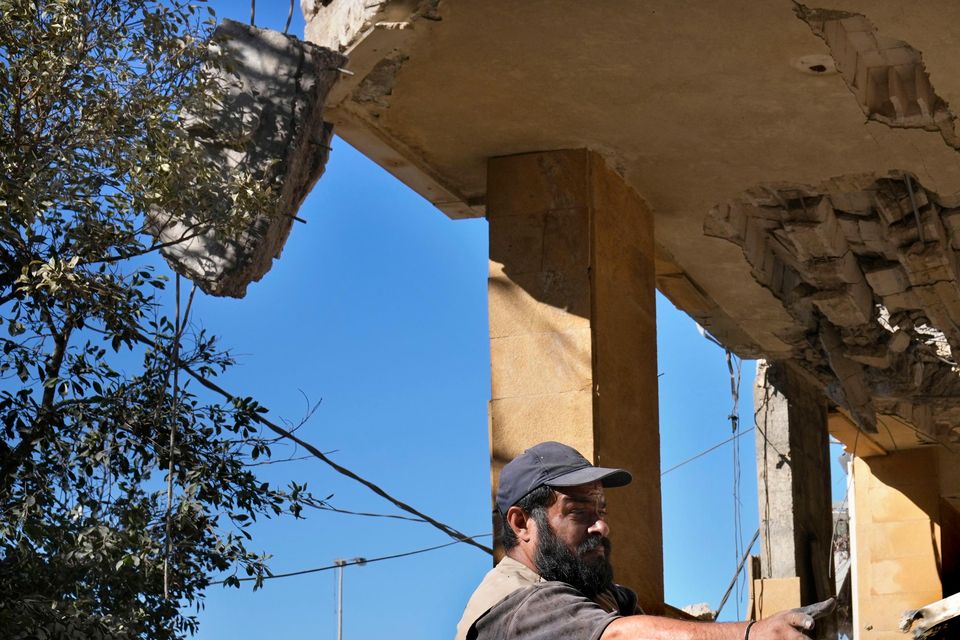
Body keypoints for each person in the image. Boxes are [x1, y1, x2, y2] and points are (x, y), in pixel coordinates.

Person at [456, 441, 824, 640]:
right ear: (522, 524)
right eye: (579, 511)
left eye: (602, 510)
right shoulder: (517, 605)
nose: (601, 526)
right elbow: (620, 636)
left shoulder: (604, 597)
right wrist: (751, 635)